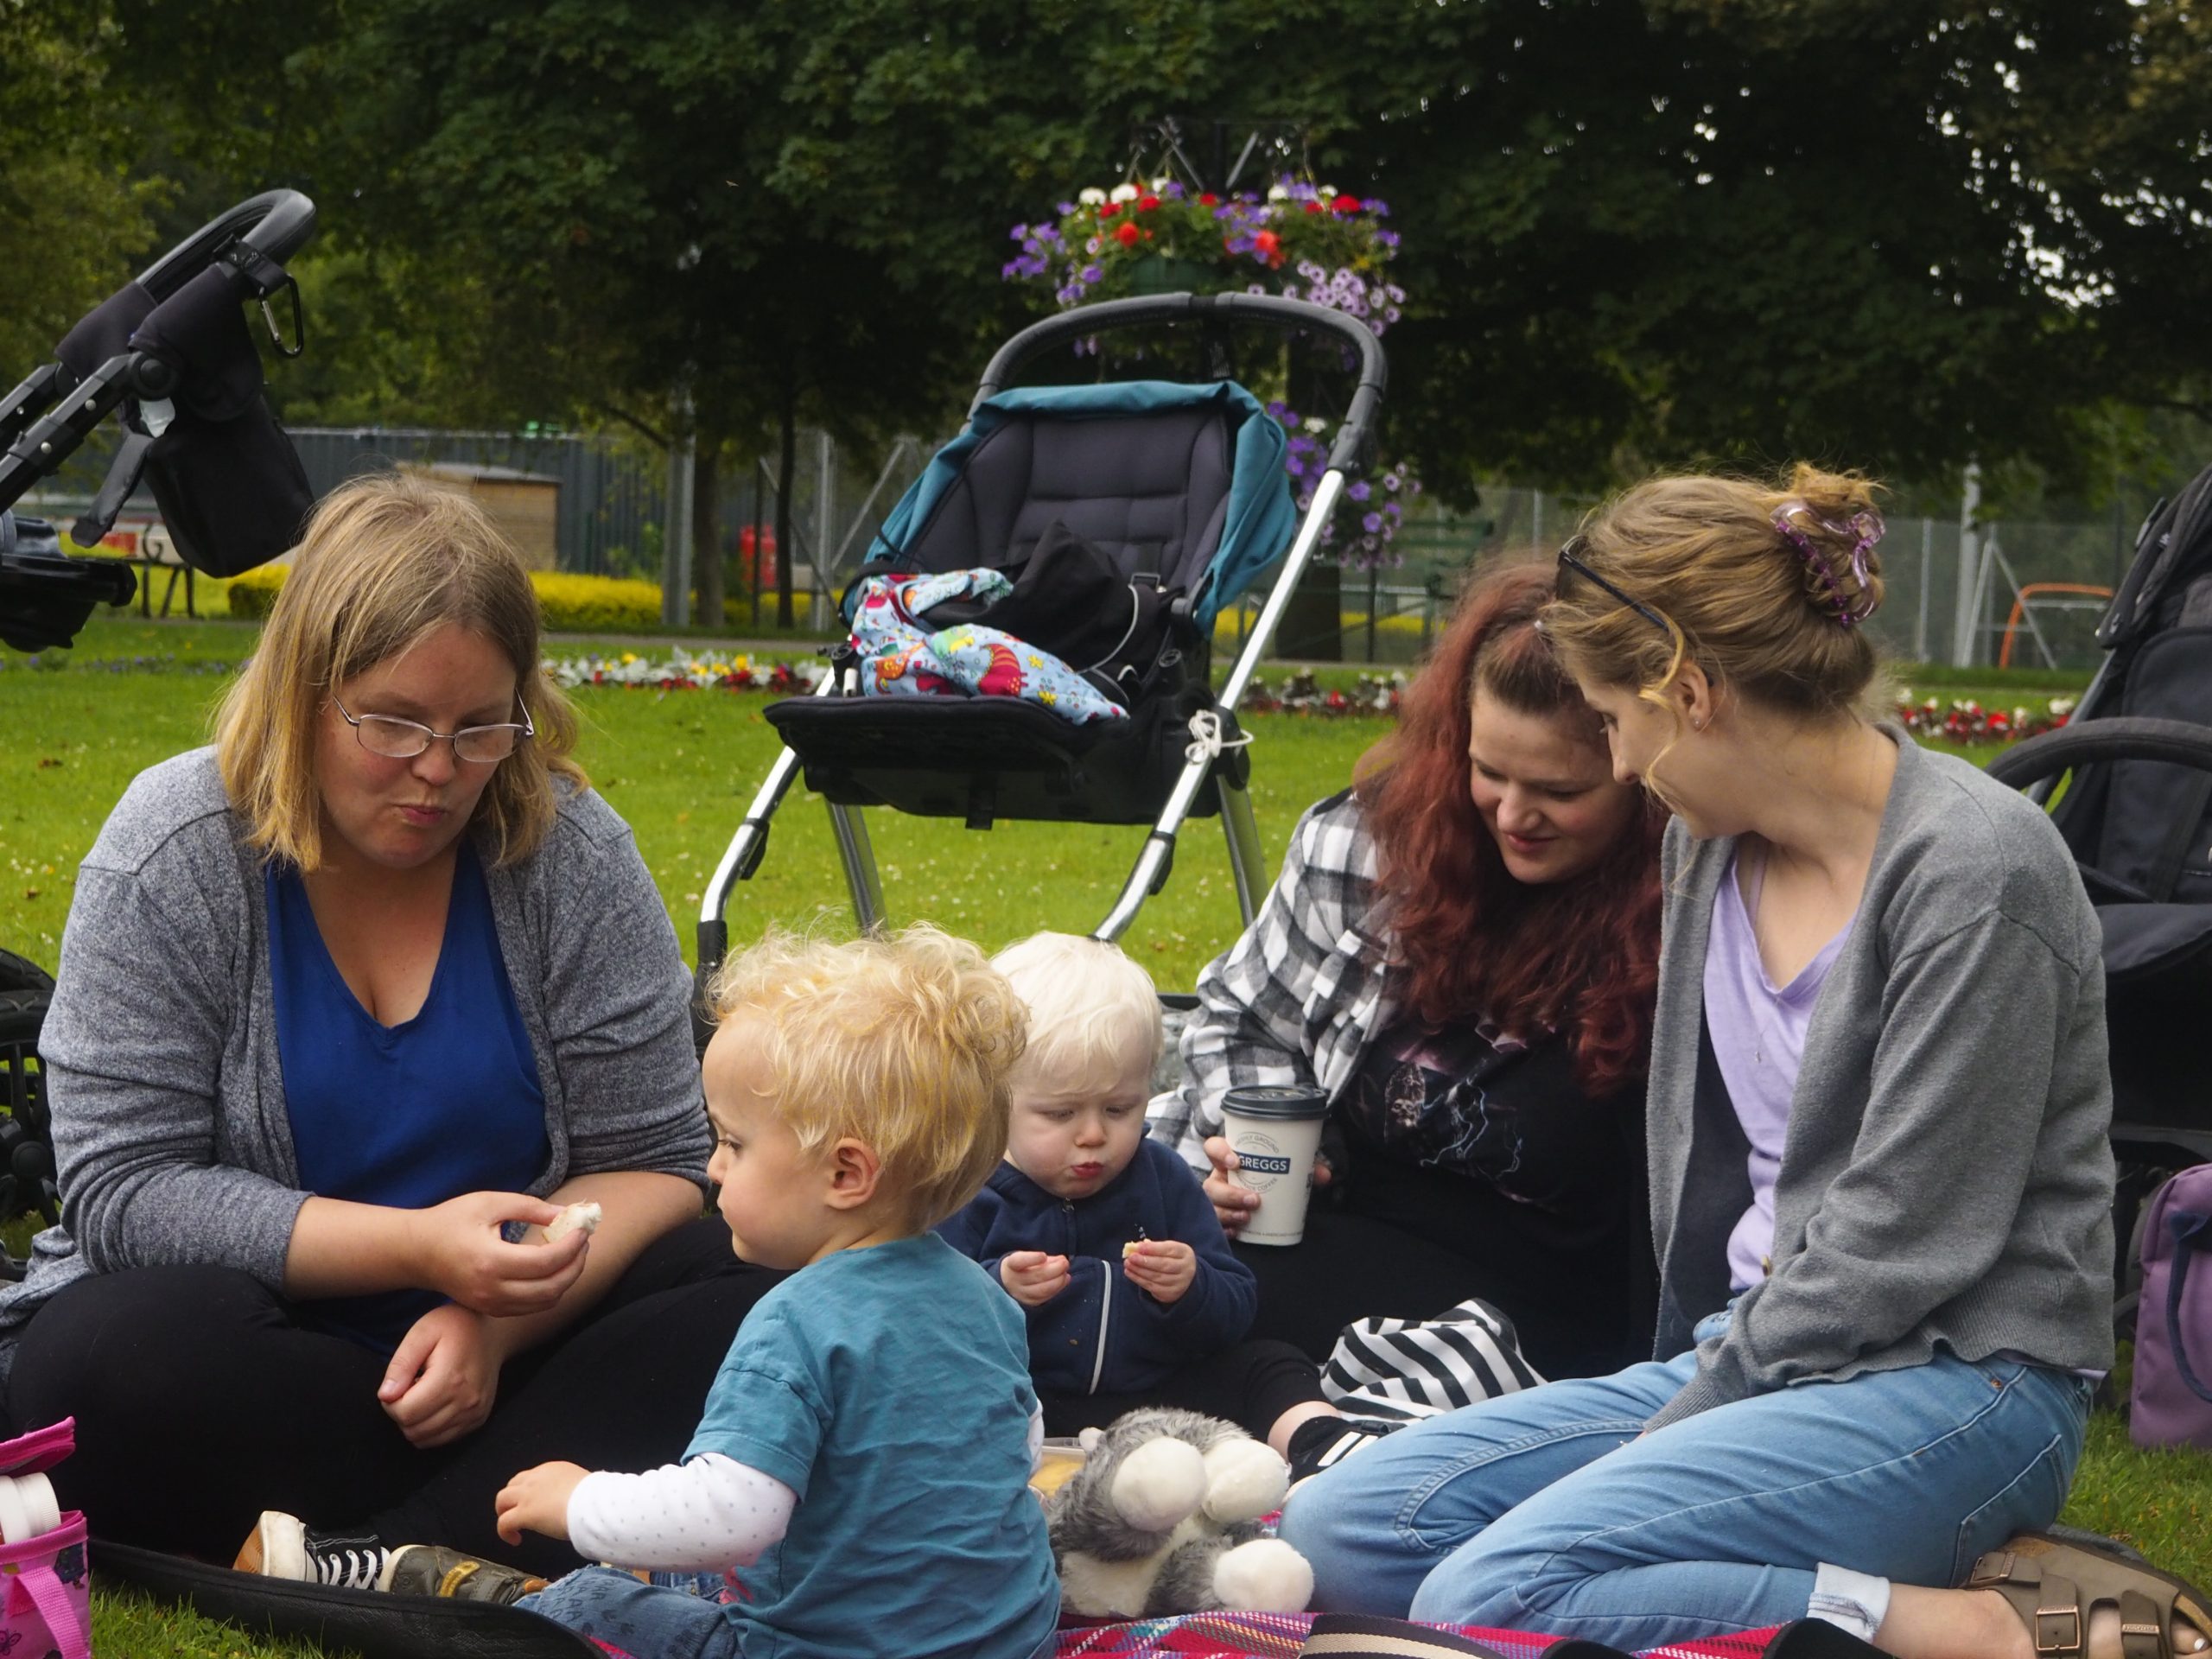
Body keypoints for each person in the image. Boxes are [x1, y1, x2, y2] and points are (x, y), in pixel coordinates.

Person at [1281, 467, 2212, 1659]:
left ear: (1690, 694)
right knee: (1343, 1526)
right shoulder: (1709, 857)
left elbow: (1900, 1244)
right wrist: (1683, 1398)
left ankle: (1972, 1627)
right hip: (1754, 1355)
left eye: (1616, 722)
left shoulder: (1976, 874)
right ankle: (1768, 1570)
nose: (1617, 767)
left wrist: (1675, 1424)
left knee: (1491, 1592)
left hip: (1961, 1383)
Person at [0, 474, 779, 1573]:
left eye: (479, 730)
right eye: (395, 724)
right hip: (277, 1357)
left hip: (526, 1356)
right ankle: (502, 1536)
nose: (438, 772)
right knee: (104, 1363)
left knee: (775, 1294)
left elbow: (657, 1160)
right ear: (304, 694)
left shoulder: (571, 852)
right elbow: (125, 1193)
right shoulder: (174, 849)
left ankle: (358, 1557)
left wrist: (491, 1325)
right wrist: (420, 1248)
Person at [416, 925, 1054, 1659]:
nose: (714, 1169)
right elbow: (1021, 1444)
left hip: (832, 1650)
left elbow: (731, 1517)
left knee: (591, 1596)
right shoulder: (980, 1295)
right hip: (1012, 1641)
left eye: (734, 1143)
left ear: (846, 1175)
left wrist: (578, 1499)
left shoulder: (796, 1320)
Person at [1148, 560, 1665, 1381]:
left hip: (1549, 1311)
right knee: (1127, 1276)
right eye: (1489, 772)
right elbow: (1241, 1021)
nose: (1513, 814)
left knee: (1192, 1319)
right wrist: (1257, 1156)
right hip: (1339, 1227)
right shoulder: (1373, 844)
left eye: (1558, 790)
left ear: (1642, 773)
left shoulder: (1692, 909)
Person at [938, 932, 1345, 1469]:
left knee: (1268, 1362)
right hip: (1031, 1400)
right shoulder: (968, 1190)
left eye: (1119, 1108)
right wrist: (998, 1290)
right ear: (992, 1102)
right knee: (948, 1406)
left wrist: (1189, 1287)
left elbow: (1236, 1306)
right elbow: (927, 1318)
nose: (1092, 1136)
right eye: (1060, 1114)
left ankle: (1324, 1448)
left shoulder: (1162, 1177)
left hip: (1159, 1395)